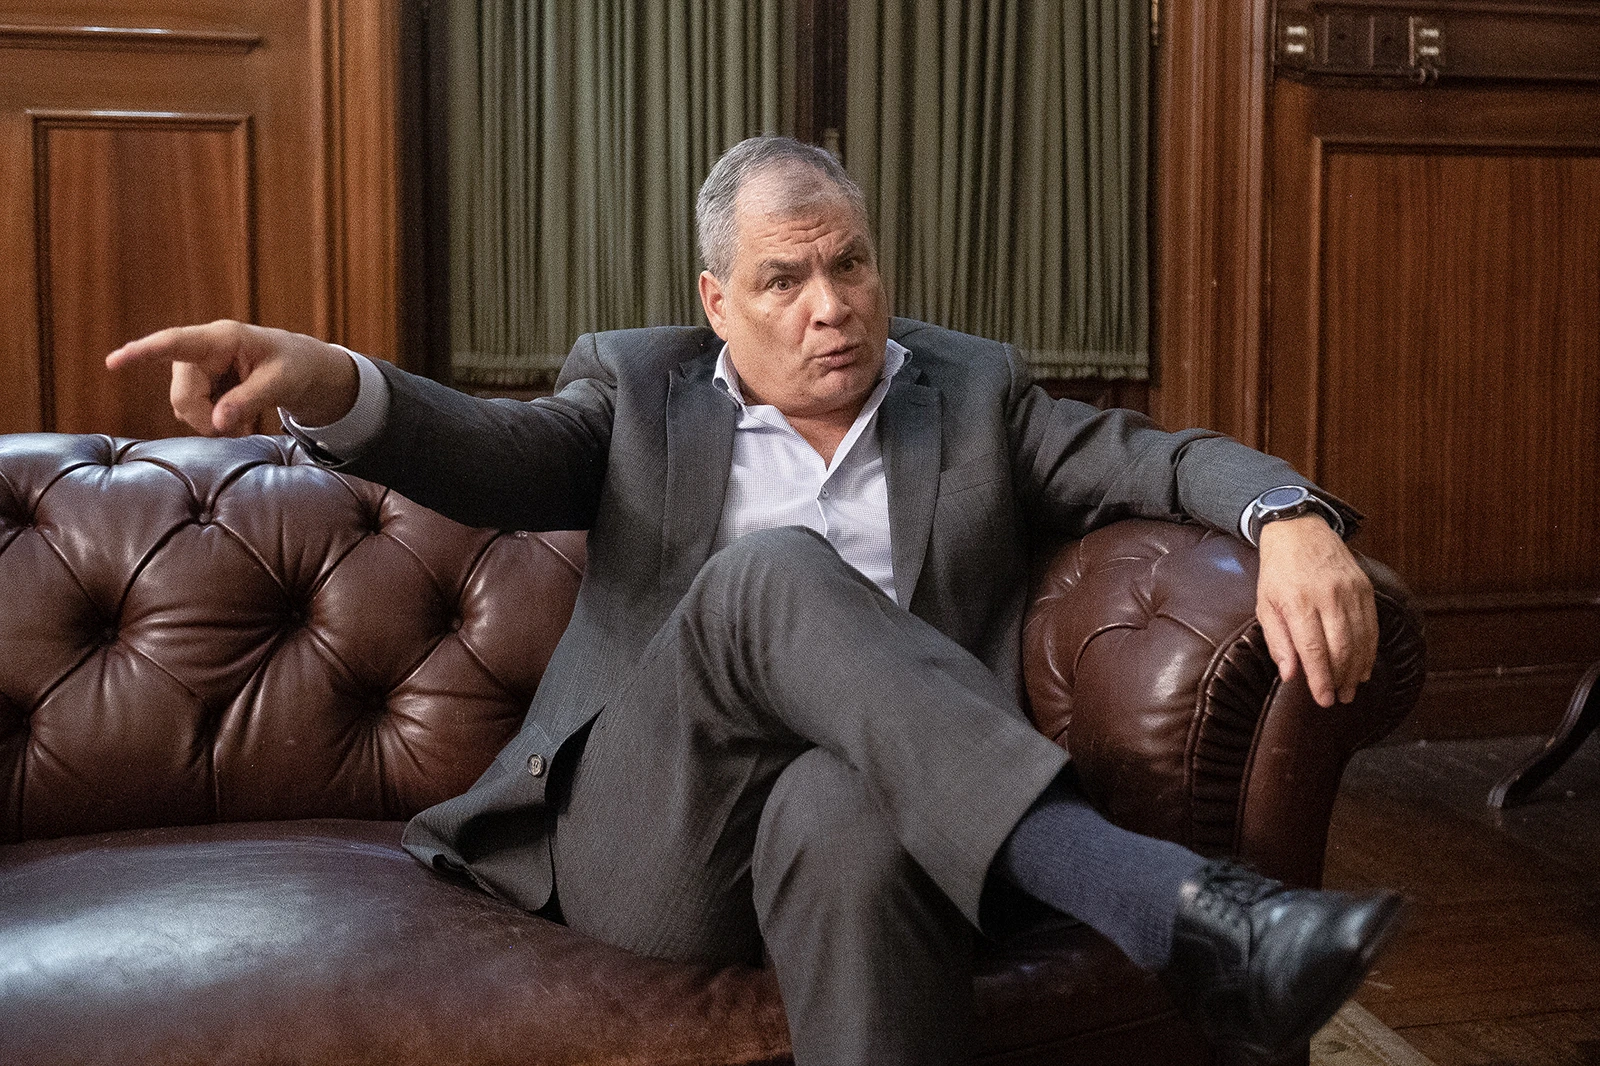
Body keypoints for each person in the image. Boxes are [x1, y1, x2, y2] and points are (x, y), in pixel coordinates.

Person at [108, 135, 1402, 1065]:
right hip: (656, 838)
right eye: (785, 280)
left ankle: (1188, 922)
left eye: (852, 266)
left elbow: (1160, 458)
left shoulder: (971, 396)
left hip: (876, 818)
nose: (832, 309)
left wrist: (1287, 517)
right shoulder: (639, 392)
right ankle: (1163, 903)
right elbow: (488, 456)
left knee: (849, 806)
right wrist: (328, 379)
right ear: (717, 302)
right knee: (773, 571)